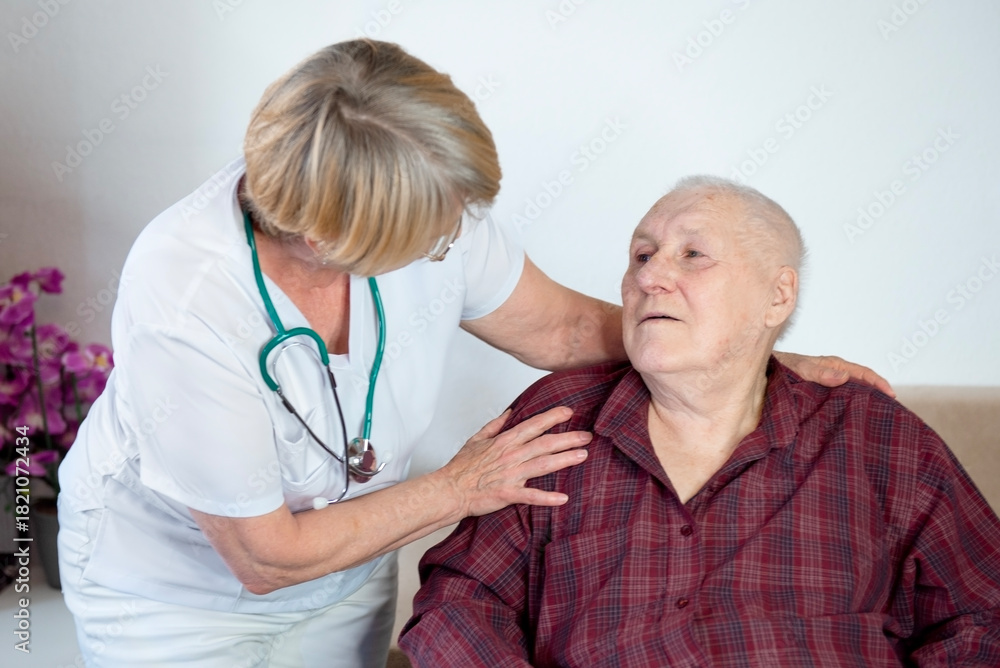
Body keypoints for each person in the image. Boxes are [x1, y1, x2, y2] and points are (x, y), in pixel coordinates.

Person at [57, 40, 888, 667]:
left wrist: (743, 354)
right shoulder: (188, 299)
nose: (455, 239)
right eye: (433, 233)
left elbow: (563, 330)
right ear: (329, 238)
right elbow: (265, 557)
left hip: (346, 574)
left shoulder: (428, 193)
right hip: (177, 596)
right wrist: (460, 487)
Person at [400, 176, 1000, 667]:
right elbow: (457, 608)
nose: (648, 276)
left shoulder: (873, 434)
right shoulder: (556, 423)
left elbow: (984, 616)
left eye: (693, 255)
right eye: (641, 256)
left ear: (777, 296)